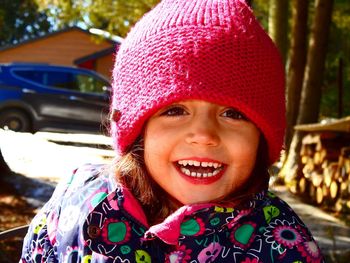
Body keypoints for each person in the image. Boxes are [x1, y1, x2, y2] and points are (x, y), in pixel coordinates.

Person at [20, 0, 324, 262]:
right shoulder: (78, 202)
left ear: (262, 135)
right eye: (175, 110)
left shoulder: (282, 244)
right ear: (137, 129)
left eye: (233, 114)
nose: (204, 134)